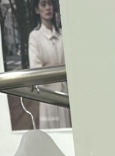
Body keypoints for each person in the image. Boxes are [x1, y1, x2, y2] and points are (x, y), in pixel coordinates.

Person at [27, 0, 71, 129]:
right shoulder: (35, 36)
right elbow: (36, 71)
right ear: (37, 9)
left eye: (50, 4)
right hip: (47, 94)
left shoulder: (63, 35)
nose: (48, 8)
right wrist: (54, 66)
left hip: (65, 92)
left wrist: (48, 65)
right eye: (43, 4)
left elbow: (70, 63)